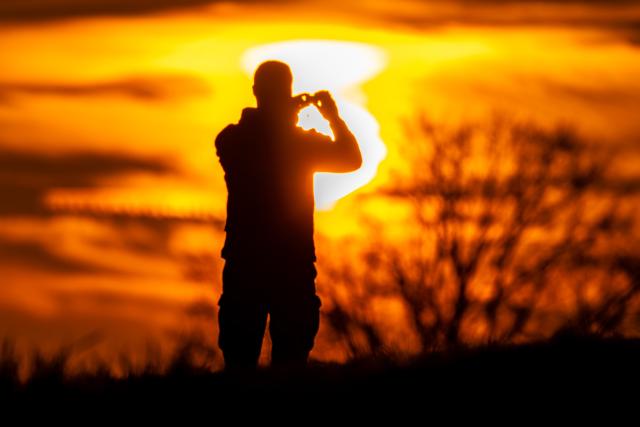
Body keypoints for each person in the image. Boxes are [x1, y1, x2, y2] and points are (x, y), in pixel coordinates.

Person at [214, 60, 362, 371]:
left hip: (259, 262)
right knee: (264, 360)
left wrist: (290, 116)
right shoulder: (249, 140)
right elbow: (349, 157)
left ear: (256, 91)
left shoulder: (237, 139)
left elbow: (351, 161)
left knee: (276, 359)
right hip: (276, 263)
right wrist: (332, 118)